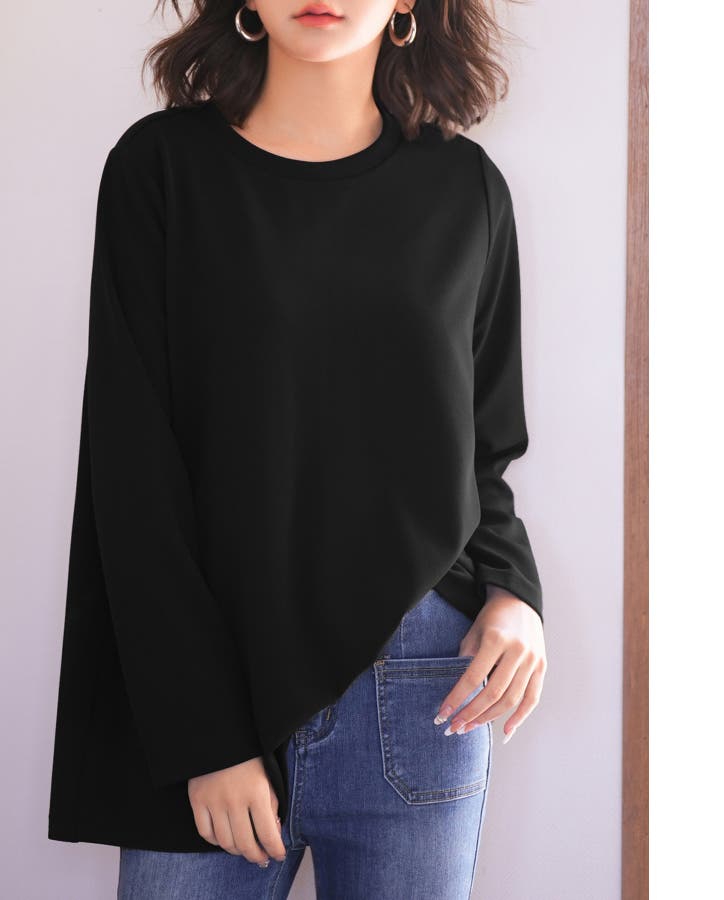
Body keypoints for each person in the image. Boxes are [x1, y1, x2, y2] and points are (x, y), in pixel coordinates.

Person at [47, 2, 549, 897]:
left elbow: (482, 448)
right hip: (211, 682)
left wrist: (514, 591)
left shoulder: (466, 189)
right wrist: (206, 739)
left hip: (422, 678)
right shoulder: (160, 171)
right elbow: (131, 475)